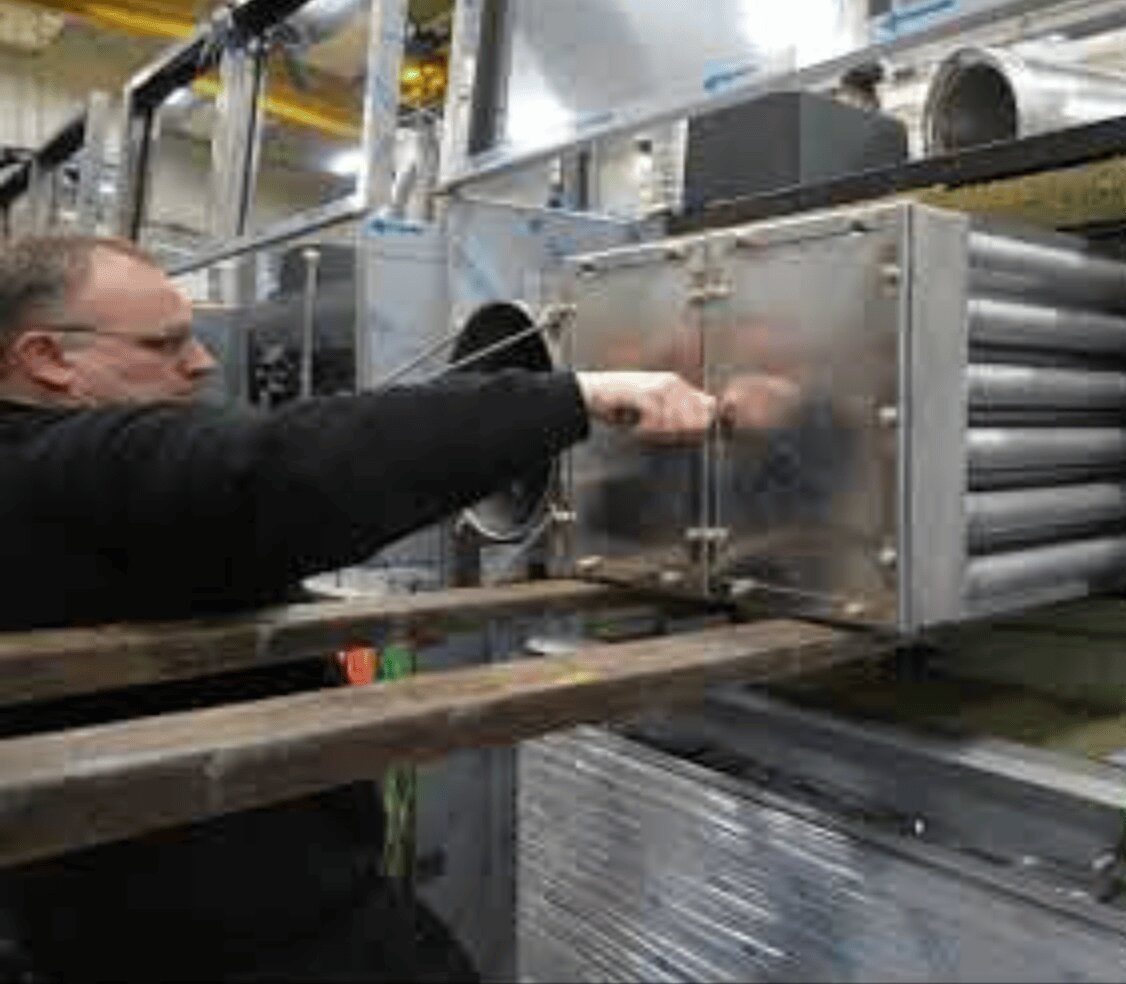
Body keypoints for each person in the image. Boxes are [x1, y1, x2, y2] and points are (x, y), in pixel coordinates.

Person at [0, 235, 718, 982]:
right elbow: (274, 473)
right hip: (233, 924)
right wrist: (577, 395)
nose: (202, 363)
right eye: (165, 343)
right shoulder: (70, 464)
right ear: (48, 359)